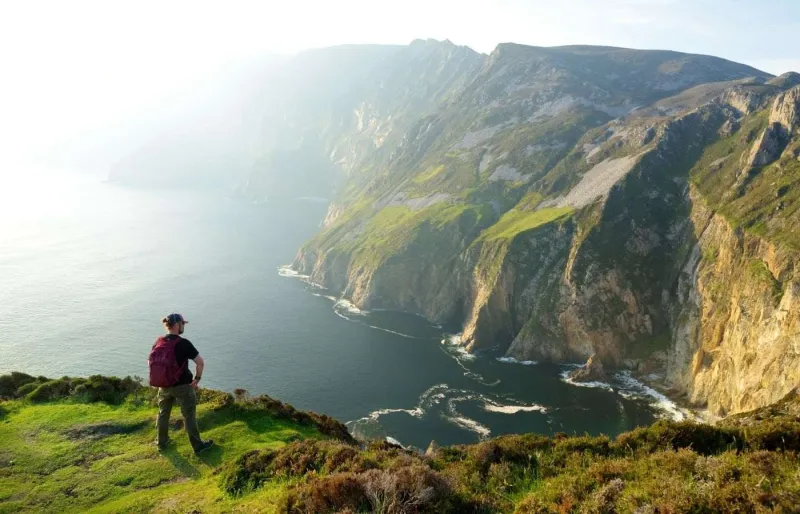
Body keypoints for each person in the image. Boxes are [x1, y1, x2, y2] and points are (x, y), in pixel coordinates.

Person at [148, 313, 214, 454]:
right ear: (177, 324)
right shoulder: (183, 343)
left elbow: (151, 362)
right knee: (189, 415)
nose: (184, 326)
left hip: (164, 385)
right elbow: (200, 362)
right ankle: (197, 446)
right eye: (183, 324)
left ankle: (161, 442)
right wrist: (197, 379)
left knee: (163, 414)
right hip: (182, 386)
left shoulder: (158, 342)